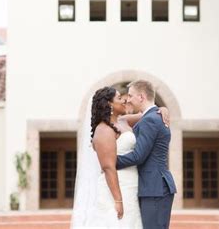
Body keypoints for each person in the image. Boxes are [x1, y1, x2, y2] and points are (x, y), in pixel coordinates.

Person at [72, 86, 169, 228]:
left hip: (132, 185)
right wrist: (118, 200)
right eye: (119, 98)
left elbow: (150, 115)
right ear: (109, 104)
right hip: (117, 188)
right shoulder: (103, 130)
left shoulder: (123, 121)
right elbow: (108, 167)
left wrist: (163, 109)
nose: (124, 101)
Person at [117, 80, 176, 229]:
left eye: (131, 96)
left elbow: (138, 156)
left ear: (141, 97)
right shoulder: (151, 116)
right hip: (152, 186)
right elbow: (122, 119)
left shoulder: (150, 119)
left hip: (154, 186)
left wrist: (111, 161)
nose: (128, 99)